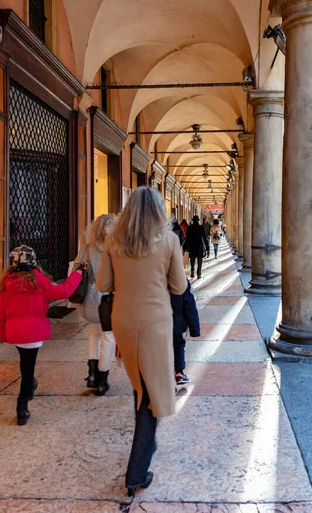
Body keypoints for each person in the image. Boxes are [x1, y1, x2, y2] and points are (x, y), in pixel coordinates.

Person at [97, 187, 187, 496]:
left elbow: (103, 284)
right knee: (151, 393)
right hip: (155, 323)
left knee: (143, 386)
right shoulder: (169, 240)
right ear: (160, 211)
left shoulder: (113, 241)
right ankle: (136, 471)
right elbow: (179, 287)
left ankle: (149, 444)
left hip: (123, 321)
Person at [0, 245, 82, 426]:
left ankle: (31, 386)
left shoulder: (6, 283)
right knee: (28, 369)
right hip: (33, 332)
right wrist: (77, 275)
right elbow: (64, 291)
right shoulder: (39, 280)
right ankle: (22, 406)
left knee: (25, 363)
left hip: (14, 331)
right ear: (33, 262)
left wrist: (3, 335)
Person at [73, 214, 116, 395]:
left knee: (94, 334)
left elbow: (75, 269)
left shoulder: (87, 248)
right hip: (110, 297)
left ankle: (91, 374)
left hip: (91, 296)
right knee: (108, 337)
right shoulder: (117, 248)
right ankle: (102, 380)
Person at [171, 279, 201, 385]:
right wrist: (194, 329)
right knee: (178, 344)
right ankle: (179, 373)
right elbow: (190, 306)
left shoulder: (153, 278)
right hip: (176, 323)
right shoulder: (180, 280)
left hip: (156, 323)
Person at [184, 215, 208, 279]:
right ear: (198, 220)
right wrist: (207, 246)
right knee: (200, 260)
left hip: (192, 246)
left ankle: (192, 272)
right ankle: (199, 274)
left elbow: (187, 238)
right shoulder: (201, 227)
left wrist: (185, 247)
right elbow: (204, 238)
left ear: (193, 220)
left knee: (192, 260)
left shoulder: (189, 228)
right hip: (199, 246)